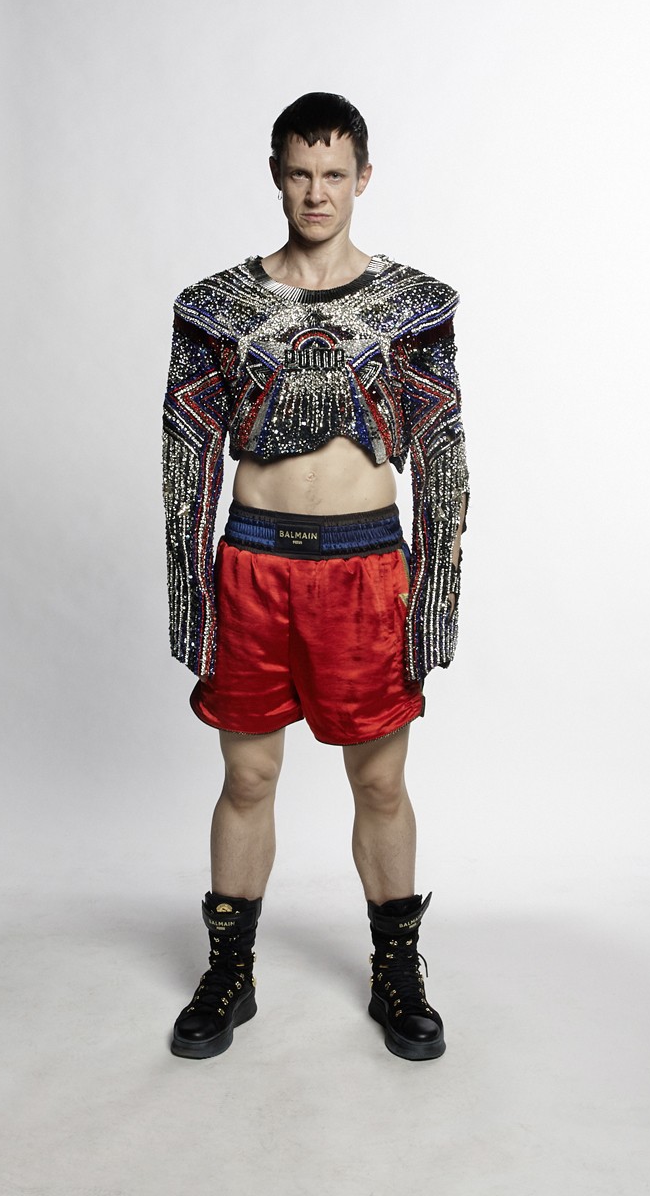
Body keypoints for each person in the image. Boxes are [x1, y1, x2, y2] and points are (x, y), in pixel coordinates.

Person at [162, 92, 468, 1061]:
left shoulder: (413, 305)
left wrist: (436, 596)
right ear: (275, 175)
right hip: (253, 560)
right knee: (248, 773)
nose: (316, 192)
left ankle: (397, 971)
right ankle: (230, 970)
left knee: (378, 782)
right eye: (299, 173)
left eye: (334, 174)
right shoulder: (217, 307)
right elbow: (183, 456)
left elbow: (443, 450)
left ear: (362, 178)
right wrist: (190, 594)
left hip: (365, 569)